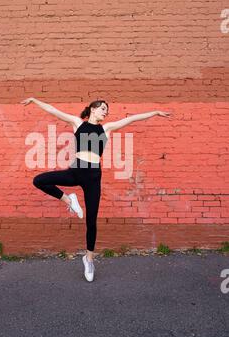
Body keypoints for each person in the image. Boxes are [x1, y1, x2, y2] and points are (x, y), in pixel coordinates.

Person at [21, 97, 172, 282]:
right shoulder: (78, 123)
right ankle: (69, 200)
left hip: (93, 178)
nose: (105, 112)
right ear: (92, 109)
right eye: (102, 108)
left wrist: (154, 112)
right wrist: (35, 100)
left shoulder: (106, 129)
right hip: (76, 172)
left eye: (106, 110)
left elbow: (132, 119)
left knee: (91, 221)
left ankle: (89, 259)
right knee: (39, 180)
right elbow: (53, 110)